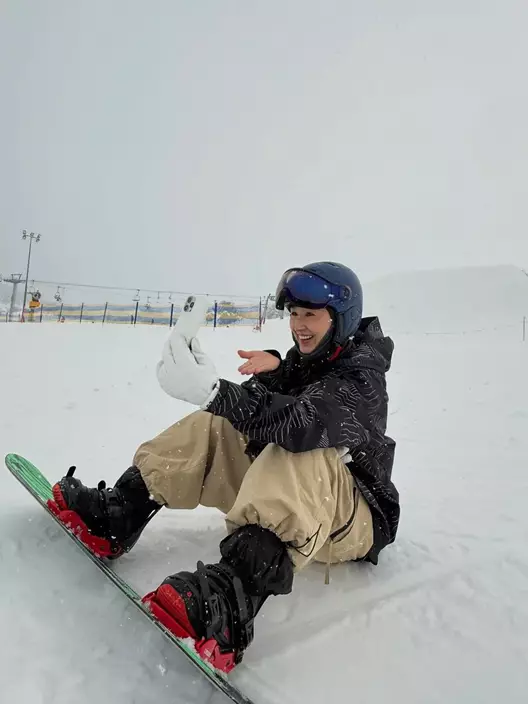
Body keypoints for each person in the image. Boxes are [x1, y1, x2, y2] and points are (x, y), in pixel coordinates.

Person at [50, 261, 399, 673]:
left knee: (302, 447)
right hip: (311, 509)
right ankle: (122, 511)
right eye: (294, 313)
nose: (298, 325)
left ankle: (230, 602)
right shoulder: (306, 361)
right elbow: (257, 411)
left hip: (352, 523)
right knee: (220, 423)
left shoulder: (362, 379)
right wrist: (220, 387)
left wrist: (219, 393)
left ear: (342, 319)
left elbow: (305, 422)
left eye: (311, 314)